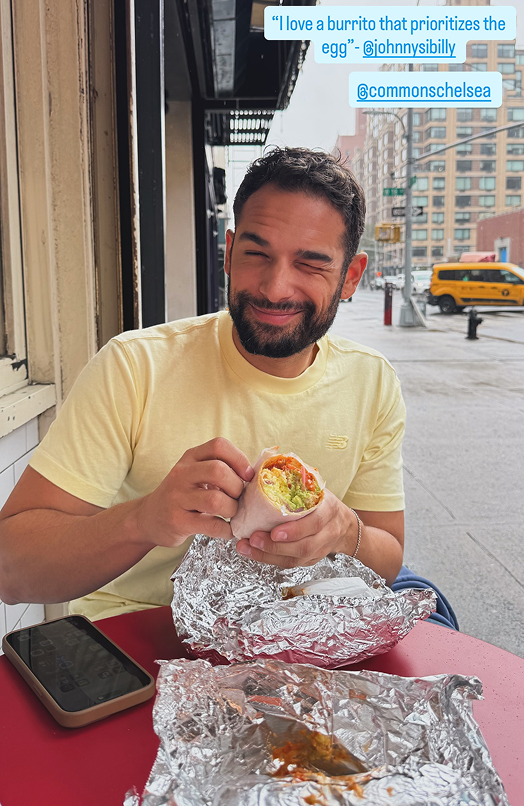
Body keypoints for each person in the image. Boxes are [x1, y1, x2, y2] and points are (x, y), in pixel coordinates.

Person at [0, 148, 407, 622]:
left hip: (296, 648)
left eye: (310, 265)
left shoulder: (371, 382)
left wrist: (345, 532)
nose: (276, 288)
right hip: (133, 643)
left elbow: (389, 557)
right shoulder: (136, 368)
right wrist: (144, 519)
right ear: (230, 253)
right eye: (257, 254)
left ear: (350, 277)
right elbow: (12, 570)